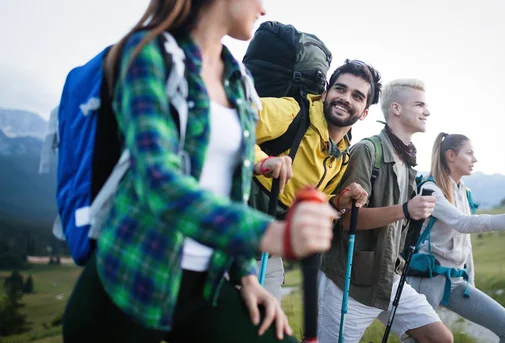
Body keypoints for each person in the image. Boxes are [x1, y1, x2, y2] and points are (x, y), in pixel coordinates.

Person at [62, 1, 338, 342]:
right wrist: (273, 235)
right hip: (130, 282)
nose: (263, 9)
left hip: (205, 286)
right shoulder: (150, 54)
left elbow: (231, 189)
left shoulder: (236, 79)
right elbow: (158, 182)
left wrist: (247, 277)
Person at [318, 79, 455, 343]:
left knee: (439, 338)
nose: (427, 112)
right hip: (350, 281)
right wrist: (405, 209)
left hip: (388, 277)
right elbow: (348, 220)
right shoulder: (367, 151)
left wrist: (411, 214)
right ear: (396, 109)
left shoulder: (408, 164)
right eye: (419, 104)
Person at [250, 59, 380, 302]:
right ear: (325, 93)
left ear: (364, 113)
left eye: (357, 96)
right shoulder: (292, 112)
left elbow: (315, 203)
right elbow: (232, 122)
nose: (345, 98)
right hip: (232, 232)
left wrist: (339, 202)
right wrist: (262, 162)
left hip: (267, 251)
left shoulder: (340, 155)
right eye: (340, 89)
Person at [406, 132, 505, 343]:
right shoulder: (430, 189)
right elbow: (462, 223)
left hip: (455, 281)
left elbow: (465, 243)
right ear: (451, 156)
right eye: (469, 153)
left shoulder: (464, 191)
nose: (475, 159)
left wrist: (470, 281)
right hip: (426, 279)